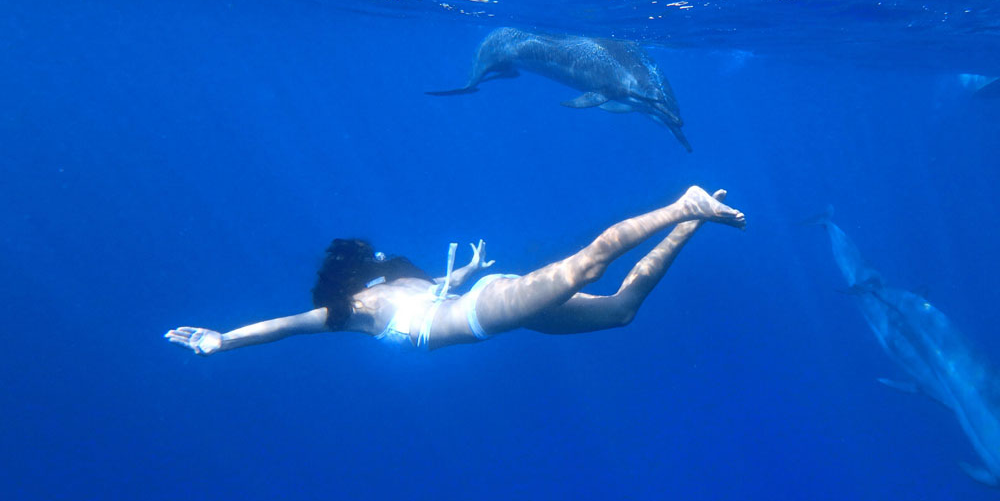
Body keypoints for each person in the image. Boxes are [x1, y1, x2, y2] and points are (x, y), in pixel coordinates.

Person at [164, 186, 745, 356]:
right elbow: (434, 297)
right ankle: (693, 221)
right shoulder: (391, 287)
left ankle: (681, 205)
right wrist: (466, 273)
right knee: (619, 312)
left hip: (484, 313)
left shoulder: (361, 309)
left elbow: (283, 325)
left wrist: (223, 340)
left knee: (583, 270)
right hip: (489, 304)